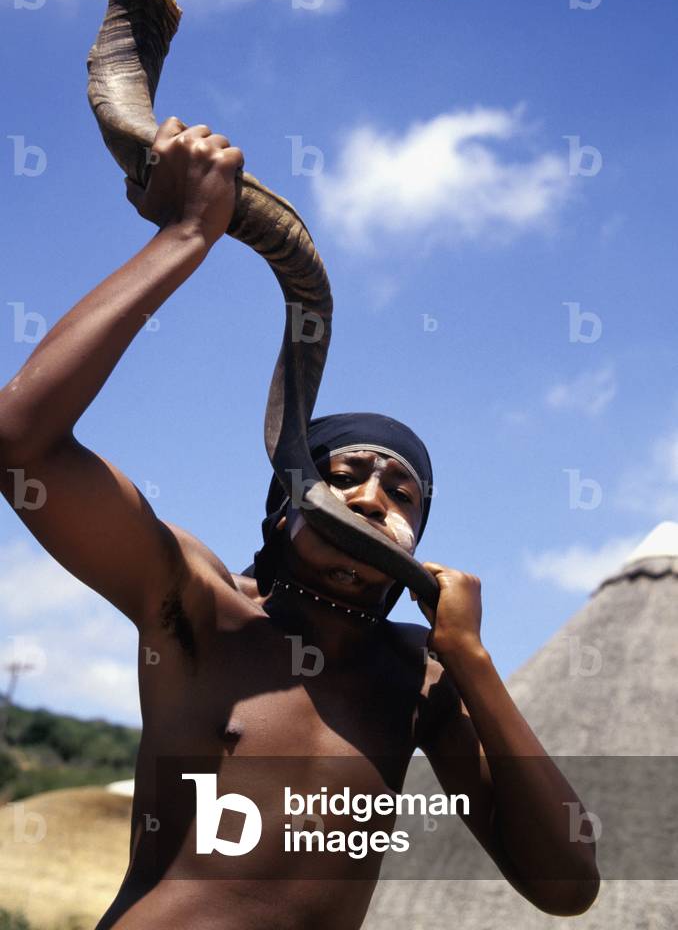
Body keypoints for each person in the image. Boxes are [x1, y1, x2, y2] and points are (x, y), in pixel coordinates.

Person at [0, 118, 599, 929]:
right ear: (284, 510)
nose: (371, 498)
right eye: (342, 475)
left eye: (403, 493)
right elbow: (21, 447)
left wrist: (473, 661)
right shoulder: (202, 607)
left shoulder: (423, 680)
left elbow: (567, 886)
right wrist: (186, 237)